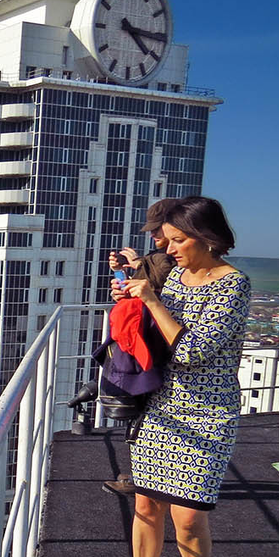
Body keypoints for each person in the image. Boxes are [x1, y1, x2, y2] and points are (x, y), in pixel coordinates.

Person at [100, 196, 250, 557]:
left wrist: (152, 299)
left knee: (187, 513)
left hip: (208, 411)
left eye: (179, 240)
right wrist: (135, 294)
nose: (170, 248)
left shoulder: (233, 286)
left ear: (206, 238)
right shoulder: (178, 277)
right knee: (147, 503)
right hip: (163, 407)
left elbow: (190, 351)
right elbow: (156, 333)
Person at [102, 198, 178, 495]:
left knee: (146, 408)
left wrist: (137, 266)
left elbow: (161, 290)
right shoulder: (157, 256)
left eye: (157, 229)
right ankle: (143, 474)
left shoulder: (164, 259)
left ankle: (146, 477)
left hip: (158, 342)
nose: (155, 237)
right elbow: (144, 293)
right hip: (152, 339)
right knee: (144, 410)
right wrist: (126, 277)